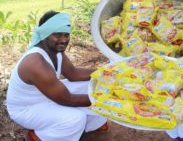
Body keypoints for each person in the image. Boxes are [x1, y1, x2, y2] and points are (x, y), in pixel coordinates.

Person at [6, 11, 107, 141]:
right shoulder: (36, 63)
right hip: (28, 109)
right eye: (57, 34)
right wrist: (106, 99)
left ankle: (76, 129)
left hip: (48, 95)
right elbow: (68, 99)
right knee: (75, 118)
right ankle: (39, 136)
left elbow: (73, 74)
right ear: (45, 34)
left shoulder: (55, 51)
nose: (64, 40)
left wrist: (105, 73)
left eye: (66, 35)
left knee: (96, 85)